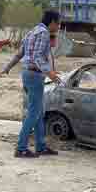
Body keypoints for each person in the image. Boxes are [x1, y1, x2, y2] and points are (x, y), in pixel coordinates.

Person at [15, 10, 62, 158]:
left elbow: (21, 53)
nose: (59, 27)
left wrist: (7, 68)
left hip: (29, 73)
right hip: (34, 75)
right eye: (58, 23)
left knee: (39, 112)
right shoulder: (44, 33)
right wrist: (51, 73)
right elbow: (37, 57)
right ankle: (21, 147)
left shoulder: (32, 31)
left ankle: (41, 146)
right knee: (34, 113)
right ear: (52, 22)